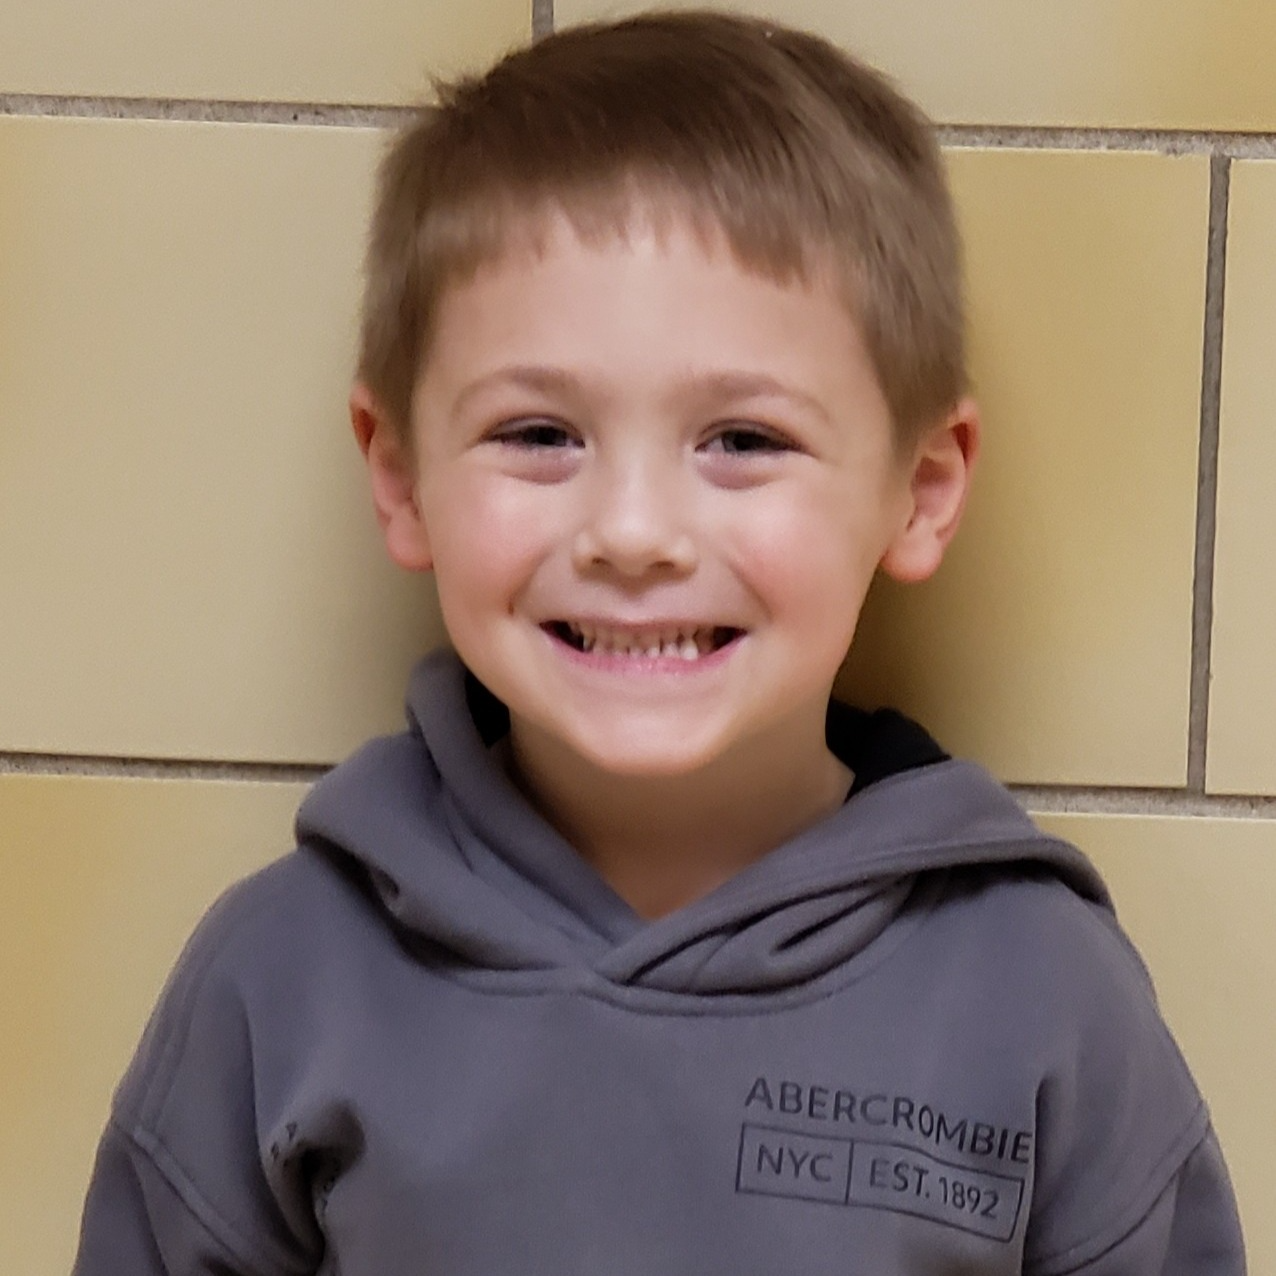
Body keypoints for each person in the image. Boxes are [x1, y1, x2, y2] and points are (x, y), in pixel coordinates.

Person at [73, 10, 1245, 1274]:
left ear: (918, 486)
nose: (632, 532)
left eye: (741, 440)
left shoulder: (1044, 997)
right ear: (402, 477)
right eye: (538, 433)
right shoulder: (280, 981)